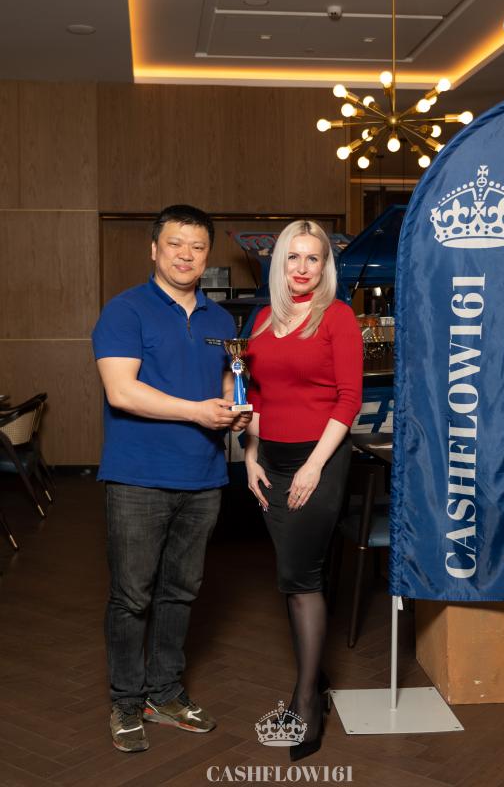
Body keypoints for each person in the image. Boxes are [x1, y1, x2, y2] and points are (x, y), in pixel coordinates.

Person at [92, 204, 250, 753]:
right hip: (137, 478)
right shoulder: (124, 311)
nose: (187, 255)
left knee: (181, 592)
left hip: (203, 477)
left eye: (198, 246)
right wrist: (197, 413)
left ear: (207, 256)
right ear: (154, 249)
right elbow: (122, 392)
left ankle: (164, 693)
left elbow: (225, 384)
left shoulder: (219, 321)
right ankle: (126, 701)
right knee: (132, 596)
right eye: (176, 244)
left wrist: (232, 409)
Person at [244, 220, 362, 760]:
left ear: (325, 266)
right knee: (292, 579)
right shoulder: (263, 320)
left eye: (313, 258)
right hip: (271, 461)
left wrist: (315, 465)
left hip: (321, 459)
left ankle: (307, 701)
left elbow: (348, 398)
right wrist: (250, 454)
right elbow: (255, 395)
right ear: (279, 263)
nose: (302, 267)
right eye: (293, 256)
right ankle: (315, 681)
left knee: (302, 577)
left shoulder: (337, 317)